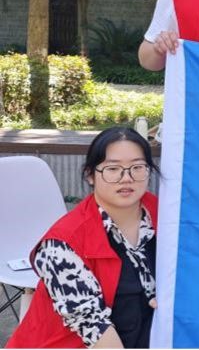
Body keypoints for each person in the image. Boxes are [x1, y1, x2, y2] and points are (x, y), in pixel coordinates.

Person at [7, 128, 160, 348]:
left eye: (137, 167)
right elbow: (96, 330)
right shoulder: (60, 246)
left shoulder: (167, 216)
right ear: (90, 175)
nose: (126, 178)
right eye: (112, 169)